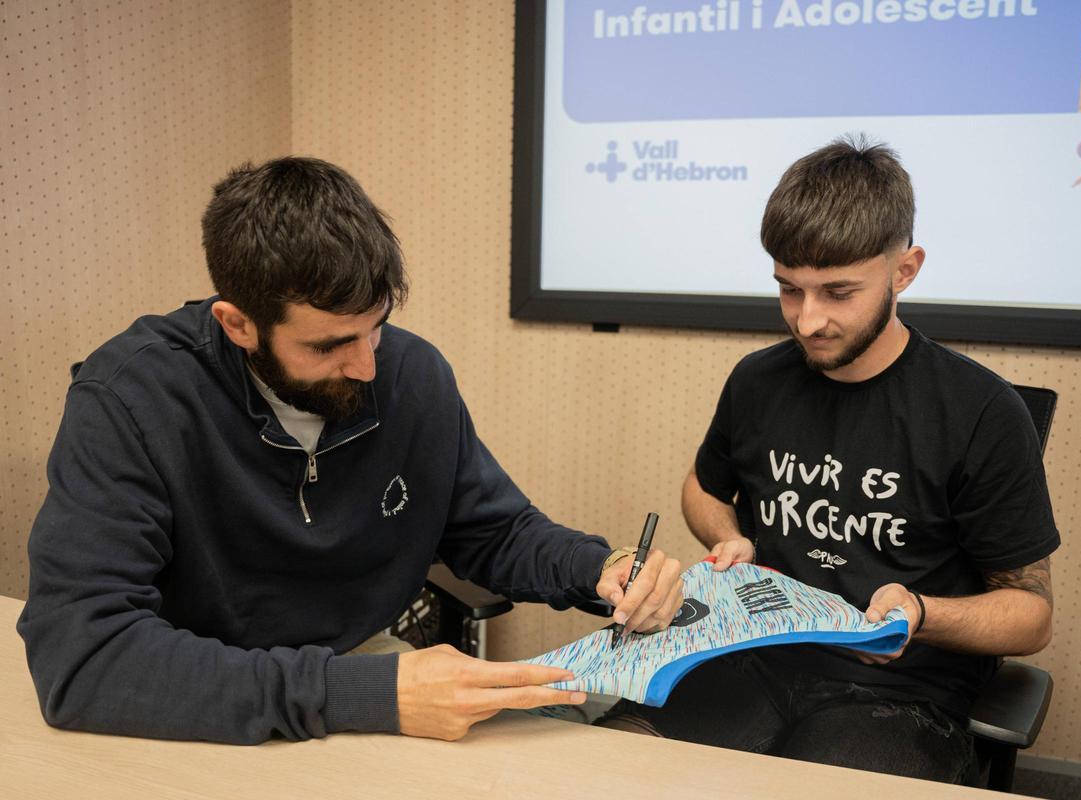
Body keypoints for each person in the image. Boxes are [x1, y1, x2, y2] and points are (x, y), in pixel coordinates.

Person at [17, 157, 683, 745]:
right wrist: (369, 694)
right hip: (194, 693)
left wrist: (601, 567)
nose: (367, 367)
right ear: (238, 324)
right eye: (331, 346)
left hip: (349, 676)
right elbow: (84, 658)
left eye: (377, 328)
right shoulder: (132, 399)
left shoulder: (412, 373)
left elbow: (491, 529)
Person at [598, 136, 1058, 784]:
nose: (807, 321)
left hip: (899, 694)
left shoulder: (981, 412)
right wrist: (730, 539)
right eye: (789, 289)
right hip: (754, 657)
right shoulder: (757, 381)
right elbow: (702, 488)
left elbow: (1031, 613)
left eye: (837, 292)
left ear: (906, 270)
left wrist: (922, 614)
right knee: (609, 764)